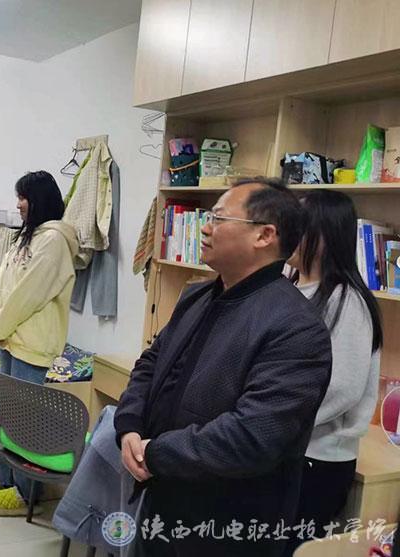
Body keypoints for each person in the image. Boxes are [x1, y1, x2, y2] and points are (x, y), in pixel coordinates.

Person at [114, 178, 332, 557]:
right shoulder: (197, 294)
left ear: (264, 235)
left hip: (226, 522)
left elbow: (253, 435)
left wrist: (156, 453)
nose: (205, 228)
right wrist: (129, 425)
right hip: (162, 497)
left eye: (217, 218)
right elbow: (152, 363)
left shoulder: (296, 327)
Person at [0, 170, 79, 516]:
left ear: (39, 200)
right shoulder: (29, 236)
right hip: (11, 338)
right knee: (6, 415)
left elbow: (28, 295)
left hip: (32, 343)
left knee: (26, 421)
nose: (18, 204)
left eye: (23, 198)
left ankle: (27, 492)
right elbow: (2, 287)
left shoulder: (54, 240)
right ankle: (5, 478)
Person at [283, 190, 383, 555]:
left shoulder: (347, 300)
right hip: (280, 451)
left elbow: (341, 388)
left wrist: (272, 423)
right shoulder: (288, 286)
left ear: (326, 236)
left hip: (317, 460)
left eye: (301, 226)